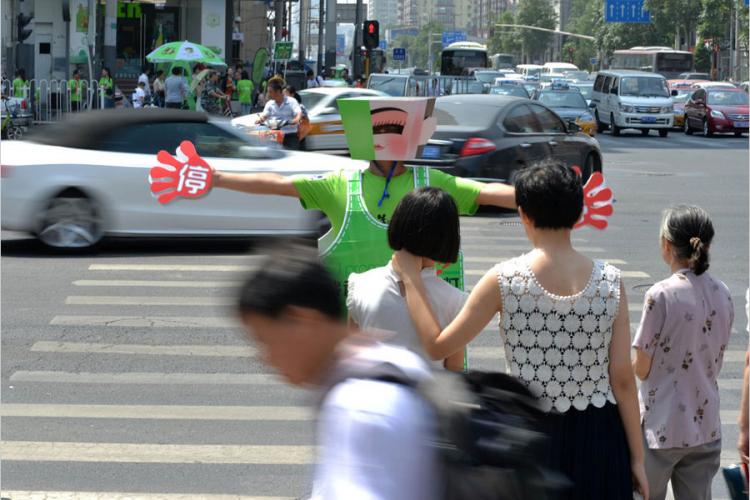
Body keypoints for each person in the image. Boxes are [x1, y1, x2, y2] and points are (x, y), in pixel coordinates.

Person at [391, 161, 649, 500]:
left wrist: (410, 278)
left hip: (531, 435)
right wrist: (638, 458)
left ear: (524, 215)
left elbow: (438, 346)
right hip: (601, 435)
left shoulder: (504, 280)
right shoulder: (611, 281)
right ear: (577, 214)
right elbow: (623, 380)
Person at [205, 96, 516, 300]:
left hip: (424, 324)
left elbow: (486, 192)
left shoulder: (430, 181)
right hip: (357, 324)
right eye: (381, 131)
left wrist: (548, 201)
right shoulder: (341, 183)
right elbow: (277, 183)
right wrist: (215, 178)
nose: (388, 140)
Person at [237, 245, 438, 499]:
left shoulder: (356, 406)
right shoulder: (393, 361)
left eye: (264, 339)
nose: (264, 357)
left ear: (301, 320)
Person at [633, 205, 733, 500]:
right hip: (705, 427)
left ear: (666, 244)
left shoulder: (660, 295)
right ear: (707, 245)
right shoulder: (723, 292)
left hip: (660, 428)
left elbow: (641, 367)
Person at [347, 188, 466, 371]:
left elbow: (352, 355)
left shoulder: (360, 284)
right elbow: (454, 368)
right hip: (427, 398)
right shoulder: (456, 301)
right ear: (448, 236)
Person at [256, 79, 302, 149]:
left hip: (289, 134)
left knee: (291, 153)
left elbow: (298, 113)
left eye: (270, 92)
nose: (268, 94)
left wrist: (296, 119)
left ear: (278, 92)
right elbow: (265, 115)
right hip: (274, 134)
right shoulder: (269, 103)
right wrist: (260, 119)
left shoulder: (292, 101)